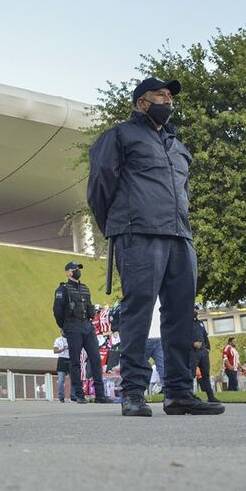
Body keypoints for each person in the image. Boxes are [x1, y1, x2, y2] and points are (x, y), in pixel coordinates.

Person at [88, 77, 223, 417]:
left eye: (170, 96)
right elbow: (100, 186)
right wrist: (118, 226)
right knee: (138, 312)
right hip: (138, 233)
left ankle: (178, 393)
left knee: (181, 314)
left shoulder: (178, 146)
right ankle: (133, 391)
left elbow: (183, 193)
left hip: (180, 236)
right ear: (141, 102)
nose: (168, 101)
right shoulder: (120, 136)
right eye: (160, 95)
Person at [53, 262, 112, 405]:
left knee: (96, 360)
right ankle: (79, 395)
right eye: (75, 269)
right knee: (75, 362)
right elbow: (57, 311)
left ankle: (100, 395)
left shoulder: (85, 288)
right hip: (72, 326)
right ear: (68, 272)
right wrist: (64, 326)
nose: (77, 271)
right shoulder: (62, 289)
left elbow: (90, 306)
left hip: (87, 326)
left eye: (78, 269)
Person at [190, 305, 220, 403]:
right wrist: (192, 344)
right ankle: (189, 396)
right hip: (192, 352)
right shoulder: (185, 324)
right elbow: (181, 338)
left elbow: (205, 336)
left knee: (206, 374)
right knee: (191, 374)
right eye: (194, 309)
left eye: (196, 309)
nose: (195, 311)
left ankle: (211, 396)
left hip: (203, 352)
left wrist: (208, 348)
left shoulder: (200, 323)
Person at [53, 332, 71, 402]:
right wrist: (63, 349)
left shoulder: (72, 338)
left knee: (73, 379)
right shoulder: (58, 340)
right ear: (61, 332)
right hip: (62, 359)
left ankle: (73, 396)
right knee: (61, 380)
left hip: (71, 358)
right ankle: (61, 397)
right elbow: (55, 351)